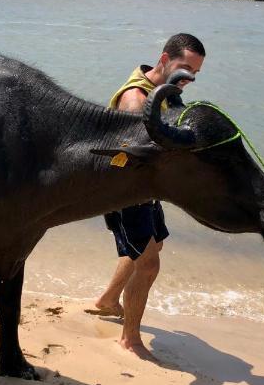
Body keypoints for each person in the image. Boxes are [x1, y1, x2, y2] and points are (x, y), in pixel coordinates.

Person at [87, 33, 206, 360]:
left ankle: (108, 300)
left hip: (147, 189)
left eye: (194, 73)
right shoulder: (136, 99)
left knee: (152, 245)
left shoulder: (162, 92)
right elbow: (136, 156)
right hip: (124, 191)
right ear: (165, 59)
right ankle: (130, 340)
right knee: (149, 264)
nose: (189, 78)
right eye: (184, 69)